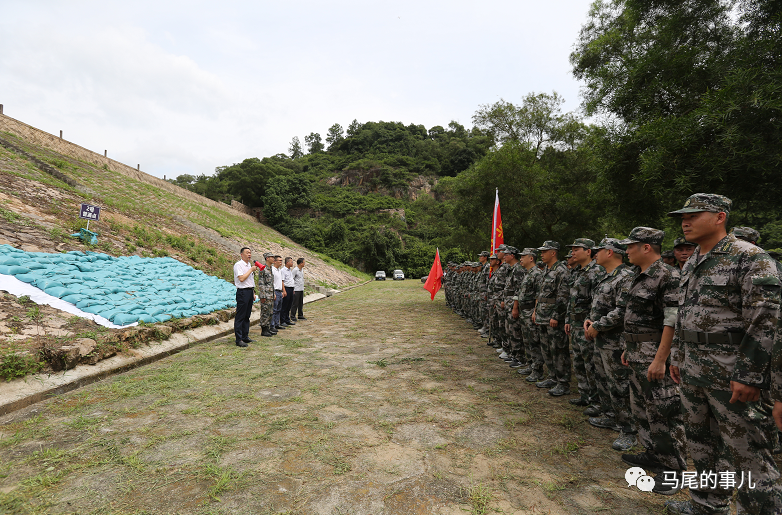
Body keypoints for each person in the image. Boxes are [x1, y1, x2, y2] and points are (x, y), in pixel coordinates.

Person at [665, 193, 782, 515]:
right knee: (702, 446)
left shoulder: (750, 257)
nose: (685, 222)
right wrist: (677, 356)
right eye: (683, 217)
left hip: (732, 375)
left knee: (749, 455)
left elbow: (766, 321)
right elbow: (684, 313)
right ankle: (707, 505)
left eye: (694, 215)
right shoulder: (693, 260)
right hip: (694, 370)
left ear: (720, 217)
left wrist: (749, 374)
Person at [617, 227, 687, 496]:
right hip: (637, 352)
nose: (627, 250)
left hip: (654, 356)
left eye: (631, 246)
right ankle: (654, 454)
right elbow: (633, 317)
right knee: (643, 410)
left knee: (664, 413)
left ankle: (674, 470)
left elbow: (672, 320)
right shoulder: (638, 276)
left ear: (647, 247)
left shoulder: (668, 276)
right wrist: (628, 346)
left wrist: (661, 359)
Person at [584, 238, 638, 451]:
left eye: (598, 251)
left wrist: (597, 324)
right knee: (603, 380)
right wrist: (589, 321)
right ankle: (611, 416)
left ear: (609, 252)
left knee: (620, 386)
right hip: (600, 339)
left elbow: (622, 310)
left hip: (615, 341)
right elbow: (598, 304)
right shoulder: (607, 277)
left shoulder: (625, 277)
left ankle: (629, 430)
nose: (594, 254)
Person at [564, 238, 604, 408]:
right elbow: (571, 299)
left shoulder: (597, 271)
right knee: (578, 362)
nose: (573, 252)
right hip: (574, 324)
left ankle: (595, 401)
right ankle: (584, 395)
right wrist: (568, 319)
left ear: (588, 251)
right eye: (572, 249)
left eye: (577, 249)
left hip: (586, 326)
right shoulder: (576, 272)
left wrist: (591, 324)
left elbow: (597, 302)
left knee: (590, 365)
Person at [532, 240, 571, 396]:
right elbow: (541, 294)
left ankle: (563, 382)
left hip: (553, 318)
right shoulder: (547, 270)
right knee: (546, 348)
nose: (541, 254)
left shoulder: (562, 271)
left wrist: (556, 316)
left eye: (544, 251)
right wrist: (536, 311)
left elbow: (563, 296)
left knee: (558, 350)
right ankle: (553, 377)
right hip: (542, 315)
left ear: (553, 252)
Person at [233, 247, 257, 347]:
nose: (249, 254)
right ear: (242, 255)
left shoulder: (249, 265)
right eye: (247, 253)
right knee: (240, 316)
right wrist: (251, 270)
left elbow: (250, 280)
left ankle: (245, 336)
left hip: (249, 292)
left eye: (250, 253)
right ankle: (239, 339)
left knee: (247, 316)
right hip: (242, 292)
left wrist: (253, 292)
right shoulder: (238, 265)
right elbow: (242, 278)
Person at [259, 252, 275, 337]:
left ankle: (267, 328)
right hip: (265, 295)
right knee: (265, 312)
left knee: (270, 312)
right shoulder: (263, 269)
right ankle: (263, 329)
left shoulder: (270, 268)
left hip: (271, 295)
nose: (273, 259)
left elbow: (271, 284)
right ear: (267, 258)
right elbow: (261, 283)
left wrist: (274, 294)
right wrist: (262, 296)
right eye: (272, 257)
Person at [281, 257, 295, 326]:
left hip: (291, 288)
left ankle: (287, 319)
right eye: (291, 262)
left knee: (289, 305)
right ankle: (282, 320)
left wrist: (293, 289)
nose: (292, 263)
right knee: (284, 305)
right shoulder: (283, 270)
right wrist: (284, 291)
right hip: (286, 288)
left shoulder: (290, 270)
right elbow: (282, 281)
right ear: (287, 262)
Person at [272, 256, 285, 329]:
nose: (281, 262)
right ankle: (272, 325)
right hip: (275, 291)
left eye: (281, 260)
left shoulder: (279, 270)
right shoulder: (272, 270)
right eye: (279, 260)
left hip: (280, 291)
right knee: (274, 309)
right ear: (275, 261)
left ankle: (277, 324)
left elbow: (281, 281)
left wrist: (283, 290)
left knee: (279, 309)